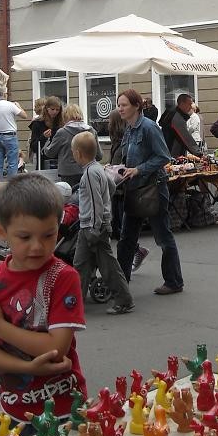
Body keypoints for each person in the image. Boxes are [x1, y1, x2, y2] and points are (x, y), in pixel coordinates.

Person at [0, 174, 87, 429]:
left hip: (64, 409)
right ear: (2, 232)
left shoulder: (63, 277)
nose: (38, 246)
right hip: (14, 410)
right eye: (25, 237)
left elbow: (56, 347)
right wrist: (28, 367)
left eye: (48, 235)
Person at [116, 89, 184, 296]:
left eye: (124, 105)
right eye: (119, 105)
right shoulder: (129, 128)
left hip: (153, 188)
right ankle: (120, 282)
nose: (120, 108)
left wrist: (139, 169)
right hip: (134, 188)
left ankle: (173, 281)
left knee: (163, 236)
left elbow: (163, 156)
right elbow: (130, 156)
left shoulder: (148, 127)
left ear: (136, 106)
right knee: (126, 238)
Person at [71, 131, 134, 314]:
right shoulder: (98, 168)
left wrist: (95, 226)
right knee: (84, 265)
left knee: (103, 266)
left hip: (92, 227)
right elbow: (112, 186)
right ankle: (75, 303)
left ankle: (123, 300)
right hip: (96, 225)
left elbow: (95, 201)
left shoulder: (89, 173)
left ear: (78, 153)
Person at [43, 104, 101, 188]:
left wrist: (46, 142)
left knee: (70, 198)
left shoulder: (62, 132)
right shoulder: (91, 131)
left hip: (68, 173)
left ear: (65, 116)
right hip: (88, 170)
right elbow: (99, 155)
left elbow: (50, 153)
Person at [0, 88, 27, 180]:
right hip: (10, 136)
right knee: (12, 163)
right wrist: (19, 106)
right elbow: (24, 115)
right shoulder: (10, 105)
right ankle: (11, 186)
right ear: (4, 94)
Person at [28, 96, 63, 170]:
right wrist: (43, 137)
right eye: (52, 109)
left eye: (57, 110)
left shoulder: (60, 124)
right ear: (47, 109)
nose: (55, 112)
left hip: (59, 161)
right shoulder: (38, 123)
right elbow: (33, 146)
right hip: (42, 161)